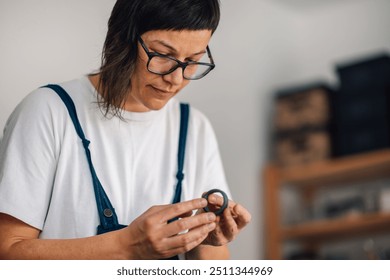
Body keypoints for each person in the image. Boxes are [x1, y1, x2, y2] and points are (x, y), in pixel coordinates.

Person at [0, 0, 251, 260]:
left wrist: (202, 240)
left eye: (192, 60)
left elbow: (215, 263)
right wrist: (126, 246)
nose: (175, 78)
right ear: (123, 38)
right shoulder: (49, 111)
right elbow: (7, 252)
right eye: (163, 55)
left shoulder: (195, 128)